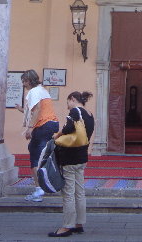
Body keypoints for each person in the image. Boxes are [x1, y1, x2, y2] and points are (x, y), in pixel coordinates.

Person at [48, 91, 95, 237]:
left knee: (68, 193)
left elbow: (69, 128)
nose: (67, 106)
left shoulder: (76, 111)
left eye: (68, 102)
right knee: (79, 192)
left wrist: (57, 135)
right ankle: (79, 223)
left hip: (70, 157)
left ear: (73, 99)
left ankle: (67, 226)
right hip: (82, 156)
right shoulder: (89, 114)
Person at [16, 69, 59, 202]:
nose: (23, 84)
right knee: (38, 152)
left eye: (24, 81)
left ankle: (39, 189)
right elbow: (35, 110)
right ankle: (43, 183)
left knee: (35, 158)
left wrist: (30, 128)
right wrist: (21, 110)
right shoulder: (43, 91)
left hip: (42, 125)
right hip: (51, 124)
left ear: (29, 80)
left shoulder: (34, 92)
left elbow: (37, 110)